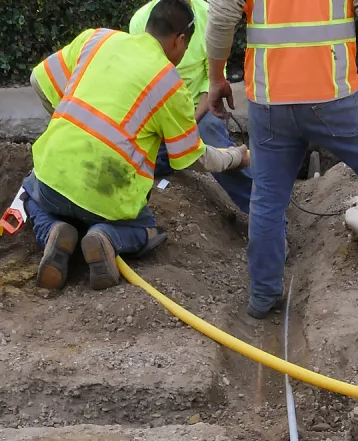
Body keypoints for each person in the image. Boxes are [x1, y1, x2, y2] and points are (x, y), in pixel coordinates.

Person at [206, 0, 358, 316]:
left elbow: (220, 17)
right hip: (333, 97)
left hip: (269, 101)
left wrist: (216, 77)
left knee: (267, 199)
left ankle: (263, 294)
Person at [26, 0, 250, 292]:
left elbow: (37, 80)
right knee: (147, 230)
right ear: (180, 40)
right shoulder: (170, 85)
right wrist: (237, 157)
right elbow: (193, 159)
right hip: (110, 198)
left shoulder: (96, 39)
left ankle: (54, 230)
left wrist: (65, 122)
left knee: (31, 193)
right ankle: (106, 237)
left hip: (53, 182)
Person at [128, 0, 252, 214]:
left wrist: (189, 123)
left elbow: (211, 81)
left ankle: (261, 210)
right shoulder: (141, 20)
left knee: (211, 136)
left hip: (200, 108)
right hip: (159, 112)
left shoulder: (209, 16)